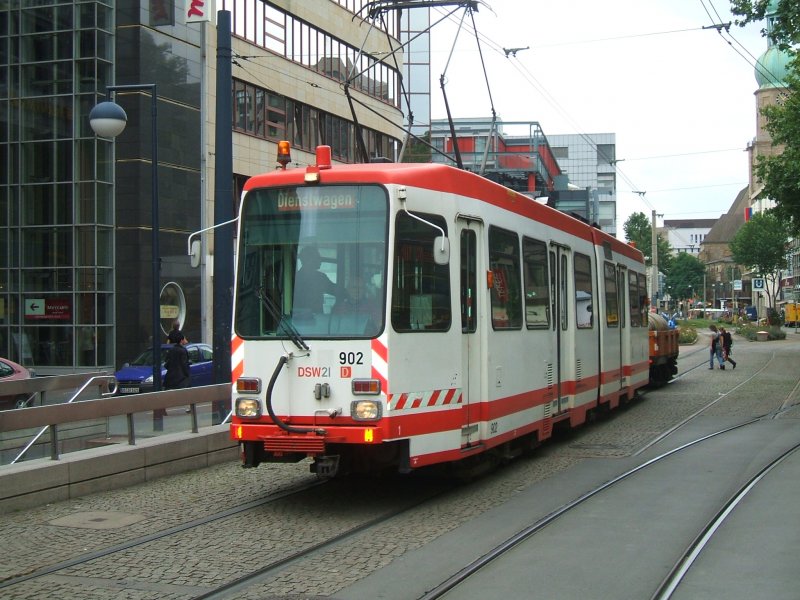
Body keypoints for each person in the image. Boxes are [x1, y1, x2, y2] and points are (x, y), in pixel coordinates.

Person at [293, 246, 340, 315]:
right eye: (317, 257)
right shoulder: (295, 279)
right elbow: (336, 291)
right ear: (309, 260)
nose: (320, 260)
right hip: (299, 319)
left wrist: (350, 290)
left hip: (317, 318)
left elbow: (335, 290)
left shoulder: (321, 277)